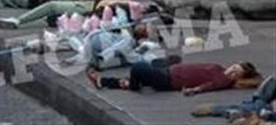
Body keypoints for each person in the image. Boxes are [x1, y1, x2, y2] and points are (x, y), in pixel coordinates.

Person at [88, 60, 260, 94]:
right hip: (169, 72)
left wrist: (193, 90)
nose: (232, 71)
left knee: (138, 67)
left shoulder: (223, 80)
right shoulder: (220, 67)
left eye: (236, 72)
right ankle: (102, 81)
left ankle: (133, 85)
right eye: (234, 67)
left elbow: (209, 86)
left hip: (168, 81)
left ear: (238, 77)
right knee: (138, 73)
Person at [192, 74, 276, 120]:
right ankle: (215, 109)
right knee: (258, 108)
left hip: (268, 107)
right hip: (266, 95)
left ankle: (242, 115)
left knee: (262, 112)